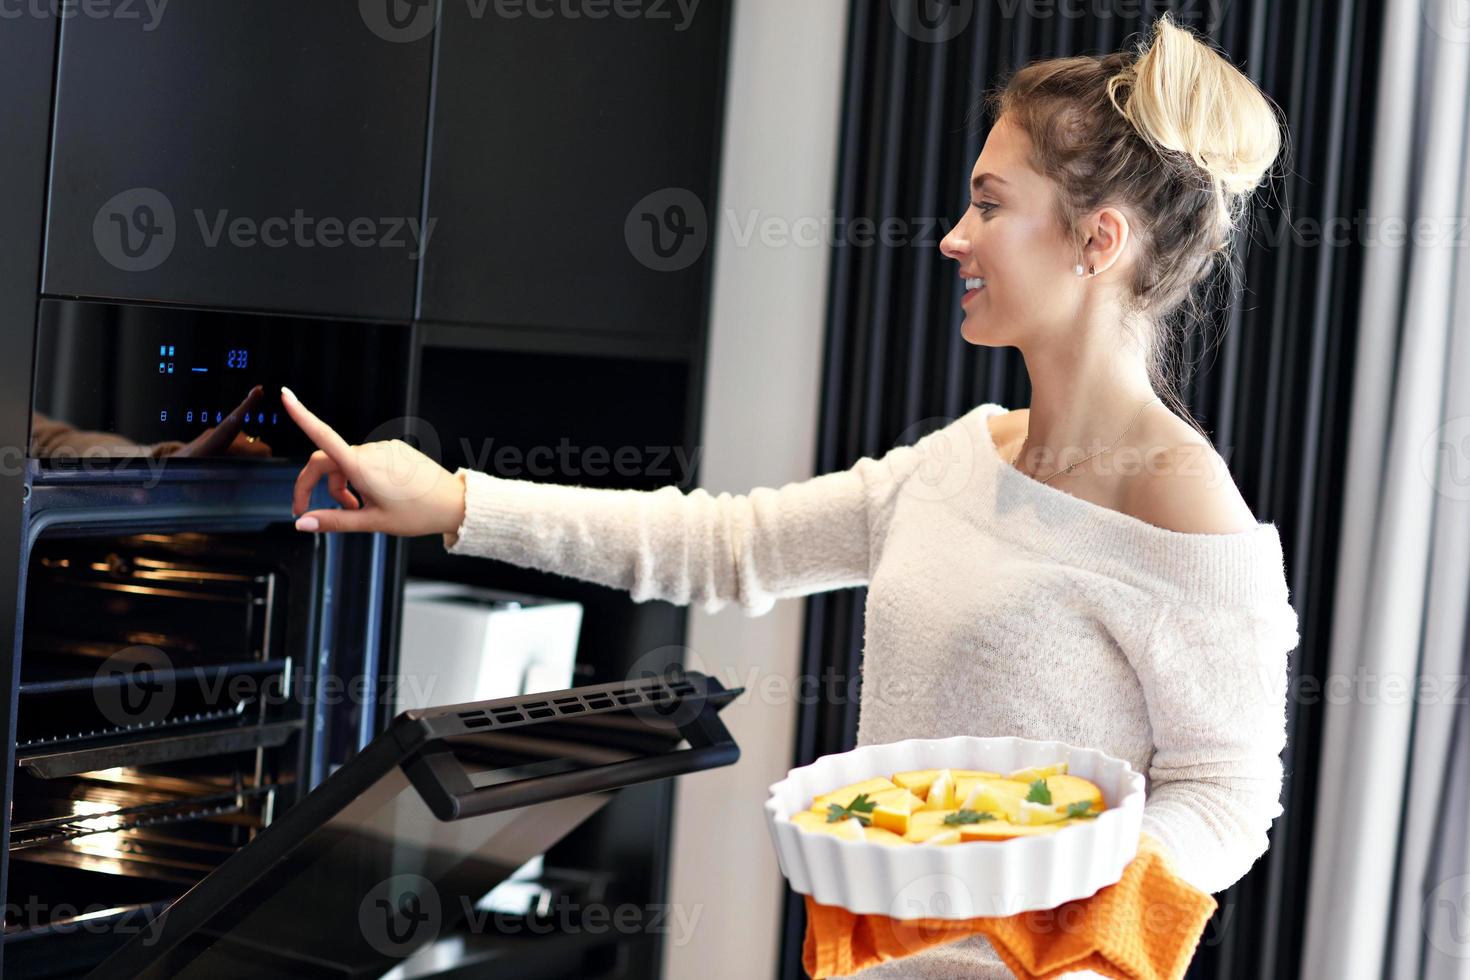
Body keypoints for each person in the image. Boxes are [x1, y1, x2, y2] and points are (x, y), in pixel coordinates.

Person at [285, 13, 1298, 978]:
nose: (953, 236)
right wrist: (456, 500)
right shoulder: (957, 462)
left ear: (1098, 240)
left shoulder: (1186, 511)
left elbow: (1229, 790)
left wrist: (1071, 913)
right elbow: (728, 544)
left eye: (989, 203)